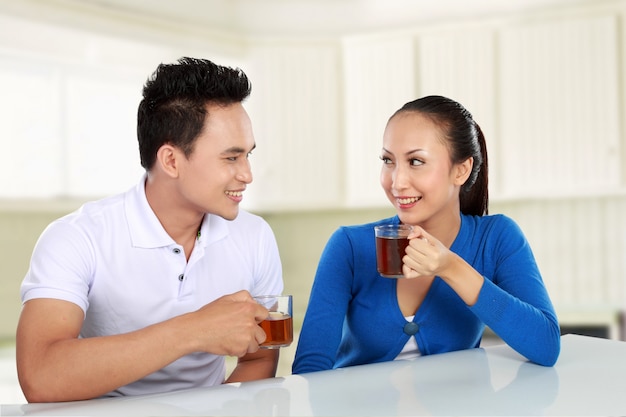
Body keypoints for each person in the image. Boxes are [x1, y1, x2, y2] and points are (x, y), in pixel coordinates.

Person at [17, 57, 284, 402]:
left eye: (249, 155)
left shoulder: (255, 236)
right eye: (232, 158)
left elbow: (260, 356)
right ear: (171, 160)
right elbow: (40, 376)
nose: (247, 174)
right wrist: (194, 330)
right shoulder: (76, 237)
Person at [292, 95, 560, 374]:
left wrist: (451, 267)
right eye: (388, 160)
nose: (397, 182)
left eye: (416, 161)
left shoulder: (496, 238)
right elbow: (310, 370)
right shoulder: (349, 246)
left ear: (461, 170)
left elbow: (546, 346)